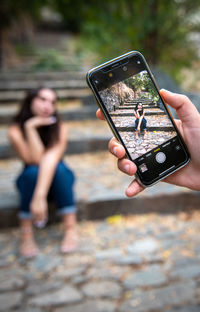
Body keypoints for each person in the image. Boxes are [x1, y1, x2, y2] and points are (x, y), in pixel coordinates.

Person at [8, 87, 78, 257]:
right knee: (32, 172)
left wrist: (39, 197)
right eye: (42, 99)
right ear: (31, 100)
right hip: (30, 183)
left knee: (60, 169)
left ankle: (70, 228)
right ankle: (26, 233)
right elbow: (34, 160)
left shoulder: (60, 127)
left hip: (58, 182)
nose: (48, 105)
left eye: (52, 102)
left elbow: (49, 159)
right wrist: (31, 128)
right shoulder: (15, 130)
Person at [97, 89, 200, 195]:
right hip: (138, 120)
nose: (141, 107)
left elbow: (142, 117)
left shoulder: (143, 110)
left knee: (142, 121)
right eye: (139, 106)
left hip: (142, 121)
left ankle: (140, 133)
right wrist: (137, 114)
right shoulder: (135, 110)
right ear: (137, 106)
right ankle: (140, 133)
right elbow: (137, 116)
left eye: (141, 106)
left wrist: (138, 123)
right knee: (138, 121)